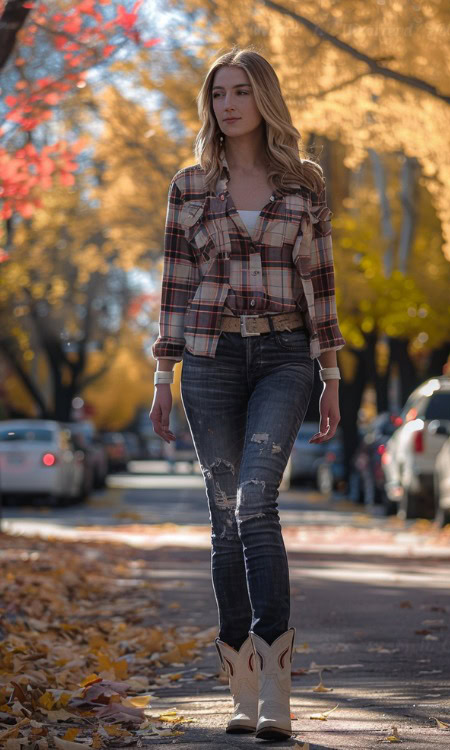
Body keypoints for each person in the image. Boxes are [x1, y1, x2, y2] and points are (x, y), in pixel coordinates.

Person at [150, 47, 346, 742]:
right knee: (224, 516)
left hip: (286, 355)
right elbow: (174, 286)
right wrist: (160, 377)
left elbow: (321, 284)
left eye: (240, 91)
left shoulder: (305, 182)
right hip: (207, 359)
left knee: (256, 502)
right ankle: (240, 688)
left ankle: (278, 695)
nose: (227, 103)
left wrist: (331, 376)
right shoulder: (190, 184)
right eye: (217, 93)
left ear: (264, 97)